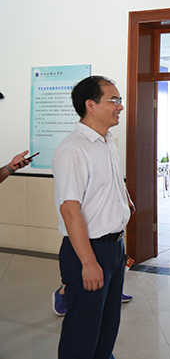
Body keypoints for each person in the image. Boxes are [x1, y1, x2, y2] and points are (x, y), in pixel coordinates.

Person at [52, 75, 135, 359]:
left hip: (113, 248)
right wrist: (88, 263)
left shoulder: (106, 141)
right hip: (88, 250)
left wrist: (124, 200)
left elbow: (107, 182)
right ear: (91, 105)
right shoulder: (73, 149)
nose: (120, 106)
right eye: (114, 100)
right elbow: (70, 209)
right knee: (83, 331)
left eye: (119, 100)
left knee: (108, 324)